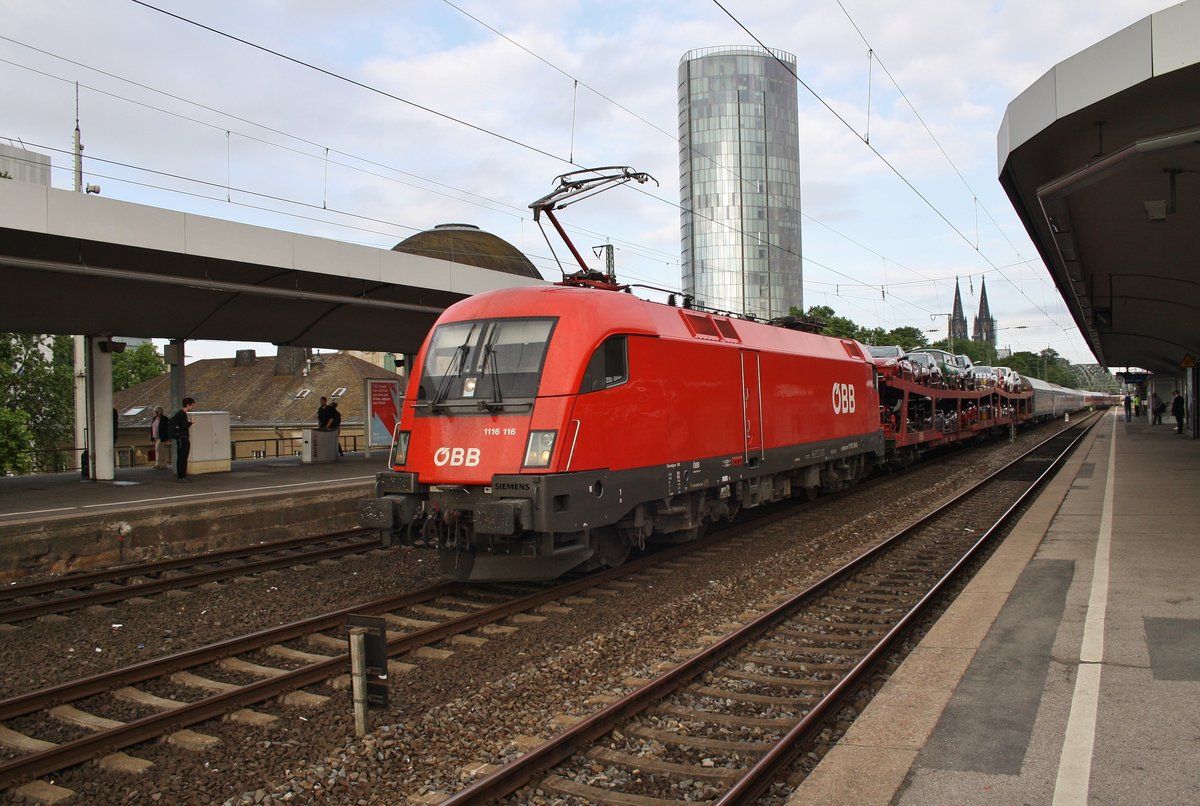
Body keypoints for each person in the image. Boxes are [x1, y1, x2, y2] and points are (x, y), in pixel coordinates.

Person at [170, 397, 196, 482]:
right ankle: (182, 476)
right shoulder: (182, 414)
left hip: (180, 439)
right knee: (183, 458)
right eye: (192, 405)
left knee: (181, 458)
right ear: (188, 405)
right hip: (183, 439)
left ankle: (181, 476)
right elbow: (184, 427)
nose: (192, 407)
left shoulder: (178, 414)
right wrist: (190, 422)